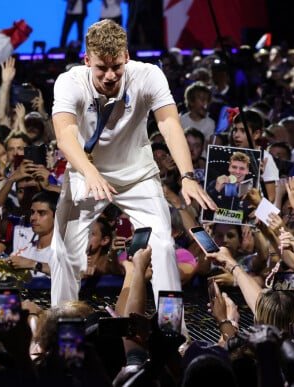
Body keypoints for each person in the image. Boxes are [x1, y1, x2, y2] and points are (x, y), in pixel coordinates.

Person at [50, 19, 216, 306]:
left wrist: (187, 175)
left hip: (137, 175)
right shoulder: (70, 82)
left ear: (127, 57)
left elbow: (169, 123)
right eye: (102, 68)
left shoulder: (148, 76)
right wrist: (89, 171)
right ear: (87, 60)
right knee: (64, 250)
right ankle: (62, 323)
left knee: (163, 246)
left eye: (117, 67)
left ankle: (174, 329)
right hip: (86, 173)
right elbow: (65, 135)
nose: (111, 75)